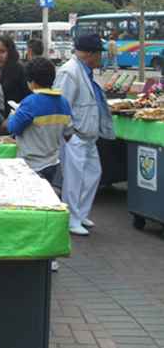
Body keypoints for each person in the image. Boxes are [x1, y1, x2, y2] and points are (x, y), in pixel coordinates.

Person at [54, 34, 114, 236]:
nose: (101, 58)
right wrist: (69, 132)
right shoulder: (70, 72)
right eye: (99, 54)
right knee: (73, 179)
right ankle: (71, 218)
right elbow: (62, 104)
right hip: (75, 135)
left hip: (87, 134)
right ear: (90, 54)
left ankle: (79, 214)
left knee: (92, 175)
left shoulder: (85, 71)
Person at [7, 57, 72, 184]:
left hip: (31, 167)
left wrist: (13, 115)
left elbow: (13, 128)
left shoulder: (30, 102)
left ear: (32, 82)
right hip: (54, 165)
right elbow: (68, 134)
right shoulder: (64, 103)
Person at [0, 34, 31, 122]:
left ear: (10, 51)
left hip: (14, 122)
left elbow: (28, 98)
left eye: (2, 51)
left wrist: (12, 117)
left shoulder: (19, 70)